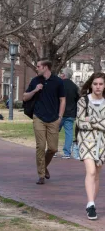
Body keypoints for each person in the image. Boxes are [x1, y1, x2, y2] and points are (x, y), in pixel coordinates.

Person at [23, 59, 66, 185]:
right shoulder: (35, 81)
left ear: (46, 67)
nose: (36, 68)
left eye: (38, 66)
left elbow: (63, 100)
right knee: (40, 146)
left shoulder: (58, 81)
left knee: (53, 148)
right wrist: (35, 90)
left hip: (53, 118)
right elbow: (25, 97)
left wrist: (60, 117)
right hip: (39, 117)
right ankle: (41, 175)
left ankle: (44, 166)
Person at [76, 72, 105, 220]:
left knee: (97, 174)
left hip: (103, 143)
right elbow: (80, 123)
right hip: (86, 141)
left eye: (101, 84)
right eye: (95, 84)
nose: (98, 87)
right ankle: (91, 204)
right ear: (91, 85)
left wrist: (90, 119)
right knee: (91, 171)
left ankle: (91, 204)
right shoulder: (83, 101)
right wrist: (99, 121)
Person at [56, 67, 79, 159]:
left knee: (54, 132)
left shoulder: (59, 84)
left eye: (62, 73)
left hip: (59, 113)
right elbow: (78, 99)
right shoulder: (75, 87)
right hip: (71, 113)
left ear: (64, 75)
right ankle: (67, 152)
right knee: (69, 133)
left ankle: (53, 150)